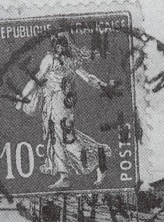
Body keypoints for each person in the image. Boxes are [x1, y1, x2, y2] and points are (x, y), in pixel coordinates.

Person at [17, 35, 113, 189]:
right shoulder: (57, 60)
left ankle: (98, 154)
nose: (60, 47)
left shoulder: (62, 60)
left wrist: (22, 96)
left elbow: (87, 77)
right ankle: (64, 176)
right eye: (58, 44)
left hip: (60, 102)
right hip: (53, 103)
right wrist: (104, 85)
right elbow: (38, 79)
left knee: (66, 138)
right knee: (55, 137)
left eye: (62, 44)